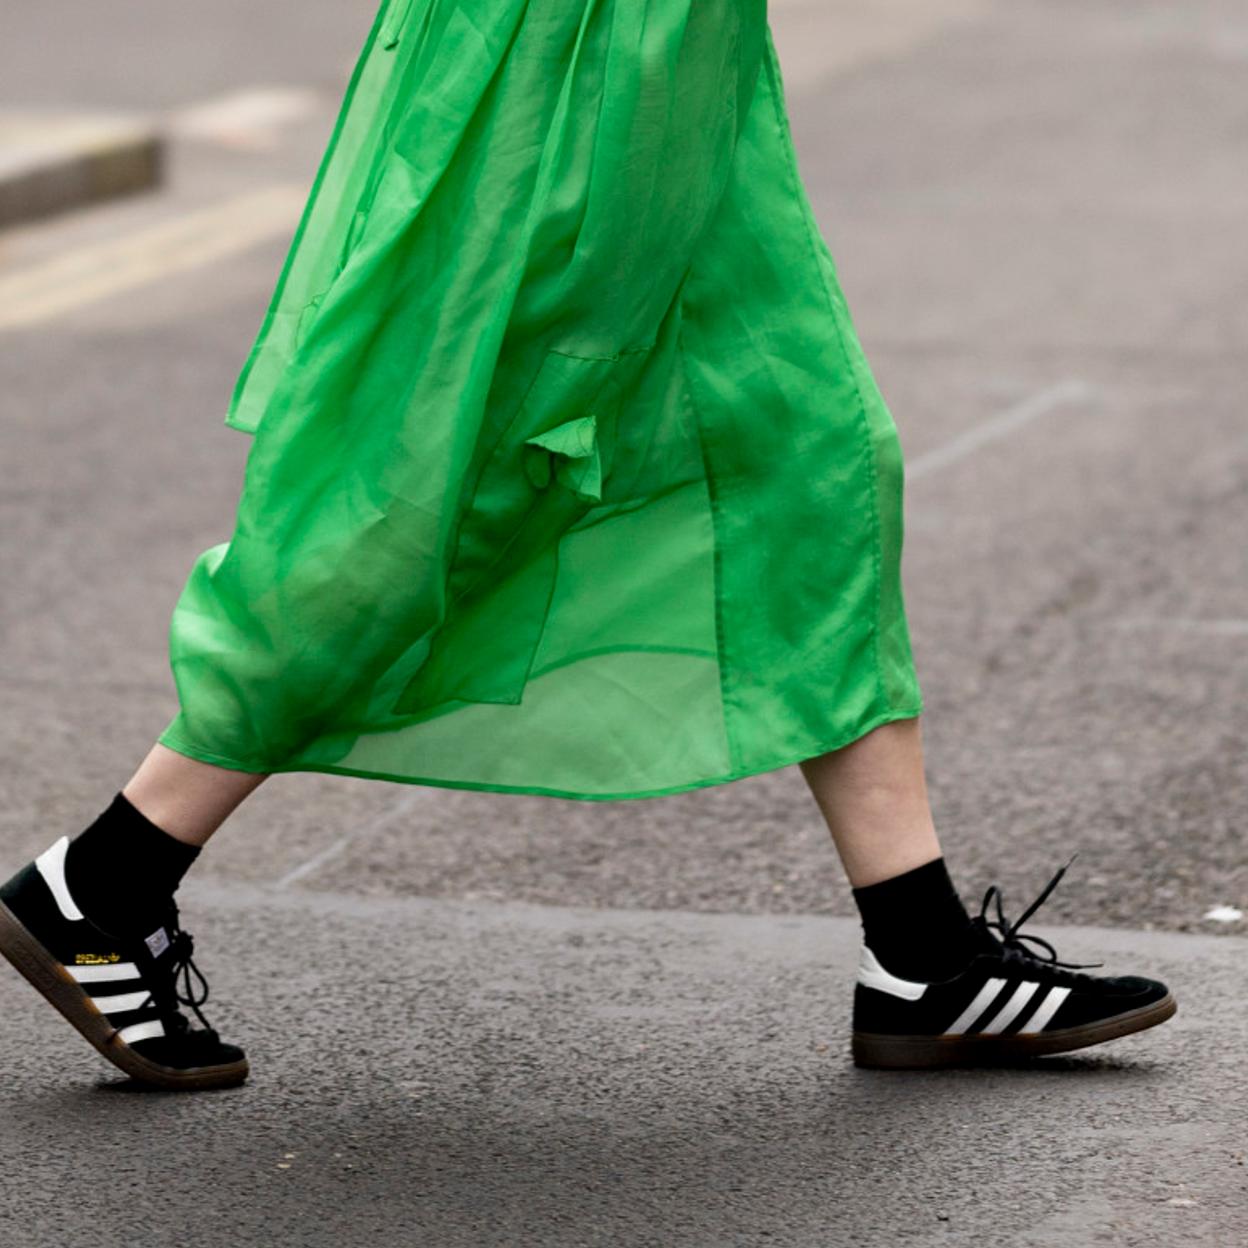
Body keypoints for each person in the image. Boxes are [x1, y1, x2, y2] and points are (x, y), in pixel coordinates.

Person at [0, 0, 1175, 1090]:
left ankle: (924, 958)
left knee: (816, 466)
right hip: (579, 62)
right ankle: (106, 878)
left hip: (683, 65)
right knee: (456, 482)